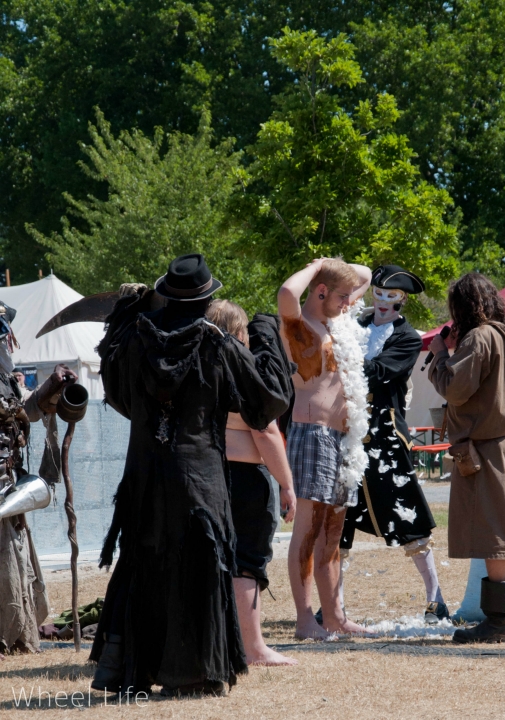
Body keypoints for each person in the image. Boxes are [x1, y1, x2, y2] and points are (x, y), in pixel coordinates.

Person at [90, 254, 294, 696]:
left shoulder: (135, 343)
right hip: (199, 476)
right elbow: (268, 402)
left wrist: (127, 316)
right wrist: (264, 333)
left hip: (145, 473)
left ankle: (136, 670)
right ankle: (194, 674)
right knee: (196, 566)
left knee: (147, 561)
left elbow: (117, 395)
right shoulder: (215, 344)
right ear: (206, 299)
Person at [428, 273, 505, 643]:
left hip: (486, 446)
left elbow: (456, 390)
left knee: (494, 532)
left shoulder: (481, 337)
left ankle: (500, 623)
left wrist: (441, 356)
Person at [340, 265, 447, 623]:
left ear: (403, 300)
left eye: (392, 297)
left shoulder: (407, 338)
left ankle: (436, 596)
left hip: (385, 437)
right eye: (379, 294)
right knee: (340, 518)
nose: (384, 303)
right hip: (348, 434)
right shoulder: (355, 326)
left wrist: (338, 355)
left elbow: (379, 372)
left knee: (407, 513)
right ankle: (333, 601)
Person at [278, 257, 373, 640]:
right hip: (312, 433)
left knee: (334, 531)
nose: (350, 303)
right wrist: (316, 264)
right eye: (341, 297)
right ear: (319, 293)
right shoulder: (300, 327)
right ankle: (305, 620)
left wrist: (335, 270)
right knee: (308, 528)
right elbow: (287, 292)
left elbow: (365, 274)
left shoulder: (338, 320)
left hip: (343, 440)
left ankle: (334, 616)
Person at [207, 299, 299, 666]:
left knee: (218, 561)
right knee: (247, 561)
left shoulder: (201, 370)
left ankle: (225, 643)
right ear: (240, 332)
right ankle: (254, 648)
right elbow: (265, 432)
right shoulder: (242, 372)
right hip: (245, 477)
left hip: (210, 475)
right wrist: (286, 484)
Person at [0, 302, 77, 657]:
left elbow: (22, 413)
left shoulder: (5, 376)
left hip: (7, 484)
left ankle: (13, 635)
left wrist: (49, 390)